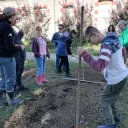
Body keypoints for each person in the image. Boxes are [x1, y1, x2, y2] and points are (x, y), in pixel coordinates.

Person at [77, 26, 128, 128]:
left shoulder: (105, 45)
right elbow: (123, 51)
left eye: (89, 39)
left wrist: (84, 54)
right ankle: (116, 116)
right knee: (111, 97)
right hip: (123, 75)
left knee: (104, 99)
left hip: (116, 79)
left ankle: (110, 124)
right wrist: (121, 64)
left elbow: (98, 66)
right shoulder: (114, 38)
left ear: (94, 35)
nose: (90, 42)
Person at [0, 7, 24, 106]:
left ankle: (1, 100)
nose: (16, 19)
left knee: (4, 78)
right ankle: (12, 101)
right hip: (7, 57)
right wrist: (19, 47)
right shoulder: (6, 27)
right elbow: (10, 47)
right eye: (15, 16)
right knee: (10, 79)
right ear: (11, 16)